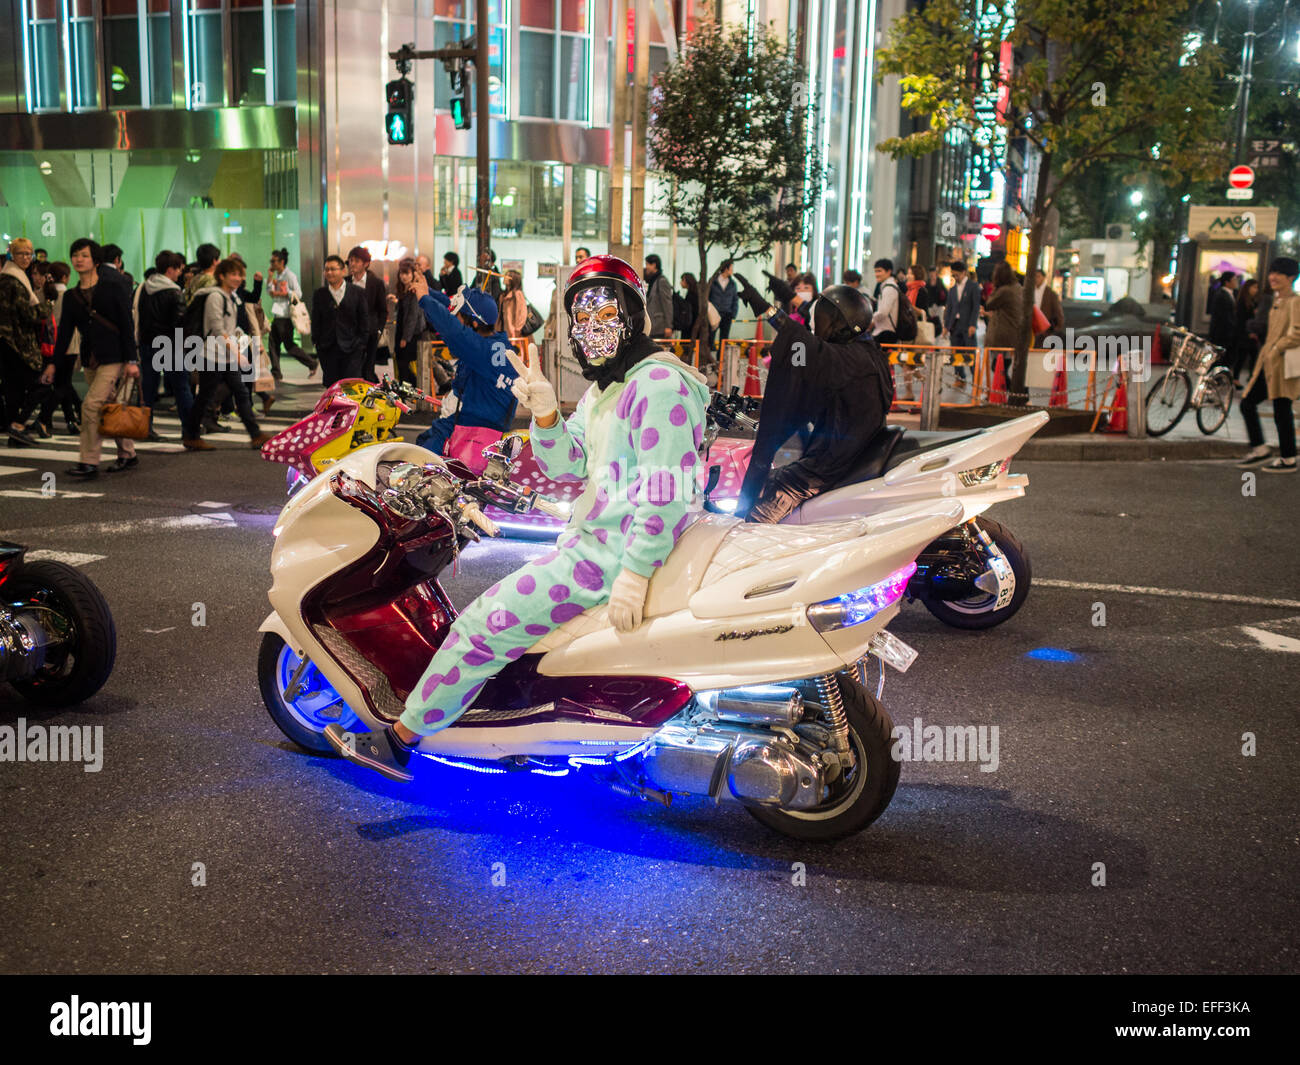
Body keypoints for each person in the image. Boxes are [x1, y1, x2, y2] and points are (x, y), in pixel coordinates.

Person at [324, 254, 710, 781]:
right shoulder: (609, 389)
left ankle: (399, 740)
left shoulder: (657, 384)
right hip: (593, 544)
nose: (593, 329)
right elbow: (571, 466)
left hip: (603, 559)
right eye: (583, 317)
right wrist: (547, 415)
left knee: (480, 627)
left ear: (634, 316)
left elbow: (666, 489)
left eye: (606, 315)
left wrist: (635, 572)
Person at [731, 272, 894, 523]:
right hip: (850, 456)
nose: (819, 323)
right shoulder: (867, 351)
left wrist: (767, 309)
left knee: (754, 521)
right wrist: (787, 297)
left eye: (826, 318)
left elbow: (802, 345)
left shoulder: (846, 360)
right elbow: (807, 344)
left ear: (841, 323)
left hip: (829, 465)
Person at [46, 238, 140, 478]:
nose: (79, 259)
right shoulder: (71, 296)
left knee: (90, 406)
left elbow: (126, 325)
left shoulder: (113, 288)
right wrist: (53, 363)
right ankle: (128, 453)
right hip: (90, 358)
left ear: (96, 260)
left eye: (84, 255)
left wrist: (131, 360)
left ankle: (88, 462)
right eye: (75, 255)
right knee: (110, 407)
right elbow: (65, 332)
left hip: (114, 357)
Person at [410, 282, 518, 466]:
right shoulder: (496, 344)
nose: (454, 315)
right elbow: (452, 307)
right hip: (474, 425)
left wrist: (424, 299)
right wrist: (428, 292)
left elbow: (453, 329)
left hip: (471, 432)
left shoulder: (480, 350)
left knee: (420, 463)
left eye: (459, 314)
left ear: (474, 323)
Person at [182, 258, 274, 452]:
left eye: (239, 274)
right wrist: (237, 354)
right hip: (212, 355)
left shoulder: (231, 296)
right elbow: (217, 329)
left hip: (225, 355)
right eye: (233, 274)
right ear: (221, 276)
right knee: (206, 396)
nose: (238, 278)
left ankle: (255, 434)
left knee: (239, 391)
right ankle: (191, 435)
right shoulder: (216, 297)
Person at [1237, 257, 1300, 473]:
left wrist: (1276, 349)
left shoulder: (1295, 301)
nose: (1273, 277)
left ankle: (1288, 458)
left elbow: (1297, 332)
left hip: (1281, 366)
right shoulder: (1277, 300)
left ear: (1291, 277)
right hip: (1268, 363)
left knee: (1280, 409)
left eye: (1279, 273)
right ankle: (1262, 449)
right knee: (1249, 403)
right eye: (1272, 272)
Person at [1, 238, 54, 447]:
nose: (25, 257)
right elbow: (28, 314)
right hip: (18, 344)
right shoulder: (13, 279)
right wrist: (48, 305)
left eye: (28, 253)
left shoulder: (10, 276)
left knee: (13, 390)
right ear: (12, 255)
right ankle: (18, 425)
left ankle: (16, 433)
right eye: (21, 253)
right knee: (41, 385)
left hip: (8, 342)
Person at [137, 250, 194, 437]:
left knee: (148, 388)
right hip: (170, 346)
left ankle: (144, 428)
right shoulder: (174, 292)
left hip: (147, 343)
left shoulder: (145, 288)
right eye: (178, 270)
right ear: (170, 270)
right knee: (181, 387)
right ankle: (189, 429)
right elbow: (180, 323)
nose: (180, 274)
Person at [310, 254, 371, 387]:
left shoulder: (357, 292)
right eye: (327, 269)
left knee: (351, 387)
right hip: (327, 348)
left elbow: (364, 320)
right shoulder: (320, 294)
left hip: (352, 349)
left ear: (343, 271)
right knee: (332, 388)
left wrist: (361, 343)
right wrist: (316, 342)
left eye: (333, 269)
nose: (329, 273)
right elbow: (316, 320)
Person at [267, 247, 315, 378]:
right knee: (273, 343)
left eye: (274, 261)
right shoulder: (277, 275)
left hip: (286, 315)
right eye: (271, 261)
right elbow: (269, 292)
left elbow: (298, 293)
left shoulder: (290, 275)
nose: (271, 264)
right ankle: (276, 372)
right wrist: (270, 278)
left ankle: (311, 363)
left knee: (288, 345)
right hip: (277, 314)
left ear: (281, 262)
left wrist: (285, 292)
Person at [346, 245, 387, 383]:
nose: (352, 264)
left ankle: (378, 397)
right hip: (350, 334)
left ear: (366, 264)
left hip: (370, 333)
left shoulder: (376, 283)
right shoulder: (345, 282)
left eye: (356, 261)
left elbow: (383, 310)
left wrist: (378, 330)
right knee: (352, 369)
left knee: (368, 370)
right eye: (351, 260)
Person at [388, 258, 427, 389]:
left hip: (411, 334)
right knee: (401, 364)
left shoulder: (413, 291)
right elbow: (405, 311)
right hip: (401, 331)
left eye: (407, 273)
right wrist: (397, 301)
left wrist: (405, 337)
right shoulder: (404, 290)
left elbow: (413, 316)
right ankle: (408, 389)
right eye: (402, 273)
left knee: (404, 364)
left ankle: (410, 389)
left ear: (413, 274)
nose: (404, 277)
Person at [943, 259, 980, 386]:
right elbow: (949, 308)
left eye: (956, 274)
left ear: (964, 272)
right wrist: (946, 326)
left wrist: (973, 324)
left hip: (967, 325)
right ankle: (960, 378)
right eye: (953, 275)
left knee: (970, 354)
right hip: (955, 325)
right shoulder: (952, 289)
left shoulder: (973, 286)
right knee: (956, 354)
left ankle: (976, 381)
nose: (955, 277)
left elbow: (976, 307)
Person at [870, 258, 903, 344]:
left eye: (879, 271)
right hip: (883, 331)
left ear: (889, 271)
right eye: (875, 271)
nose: (876, 274)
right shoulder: (886, 286)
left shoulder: (889, 288)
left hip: (886, 332)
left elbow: (883, 312)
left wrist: (871, 321)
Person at [1234, 278, 1261, 381]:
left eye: (1257, 287)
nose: (1256, 290)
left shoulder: (1253, 301)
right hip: (1244, 335)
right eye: (1254, 287)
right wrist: (1247, 334)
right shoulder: (1242, 302)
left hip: (1251, 334)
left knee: (1252, 357)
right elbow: (1241, 320)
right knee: (1242, 357)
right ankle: (1236, 379)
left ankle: (1250, 378)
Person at [643, 253, 674, 340]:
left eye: (647, 264)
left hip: (660, 326)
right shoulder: (653, 280)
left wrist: (668, 326)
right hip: (654, 325)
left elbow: (667, 303)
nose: (646, 267)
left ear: (654, 265)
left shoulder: (661, 281)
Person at [708, 260, 738, 347]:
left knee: (724, 339)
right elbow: (707, 297)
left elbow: (735, 300)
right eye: (731, 268)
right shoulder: (713, 281)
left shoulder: (732, 284)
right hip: (713, 314)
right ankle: (709, 356)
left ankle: (720, 358)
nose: (732, 270)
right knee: (710, 336)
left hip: (727, 314)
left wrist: (733, 313)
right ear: (726, 269)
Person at [1208, 270, 1239, 353]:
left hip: (1227, 333)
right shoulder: (1221, 295)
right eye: (1234, 280)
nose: (1236, 282)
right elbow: (1223, 316)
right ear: (1227, 282)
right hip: (1222, 334)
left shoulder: (1231, 293)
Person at [1032, 268, 1065, 345]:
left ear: (1043, 278)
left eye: (1038, 276)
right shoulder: (1031, 291)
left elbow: (1058, 312)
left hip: (1044, 330)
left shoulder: (1050, 293)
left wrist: (1055, 329)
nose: (1036, 279)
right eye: (1035, 277)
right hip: (1032, 328)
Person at [498, 268, 528, 338]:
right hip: (505, 330)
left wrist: (517, 329)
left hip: (514, 332)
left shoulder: (517, 294)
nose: (504, 277)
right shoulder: (503, 295)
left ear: (513, 279)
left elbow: (522, 313)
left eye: (507, 276)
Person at [674, 273, 700, 339]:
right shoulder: (695, 292)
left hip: (691, 326)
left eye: (682, 280)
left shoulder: (692, 295)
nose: (680, 282)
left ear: (687, 281)